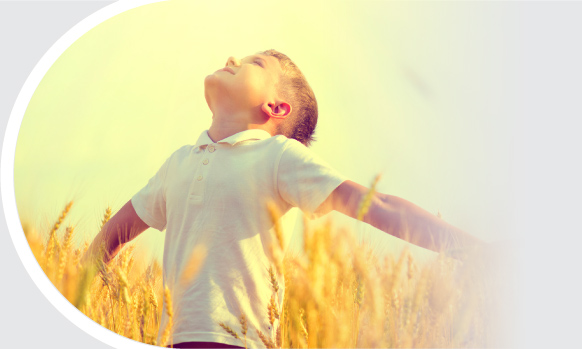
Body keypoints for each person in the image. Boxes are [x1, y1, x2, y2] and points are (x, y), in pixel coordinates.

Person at [82, 49, 486, 349]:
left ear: (276, 107)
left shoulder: (277, 157)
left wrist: (472, 250)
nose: (232, 55)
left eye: (255, 63)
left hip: (242, 342)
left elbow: (376, 206)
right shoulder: (178, 163)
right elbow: (104, 244)